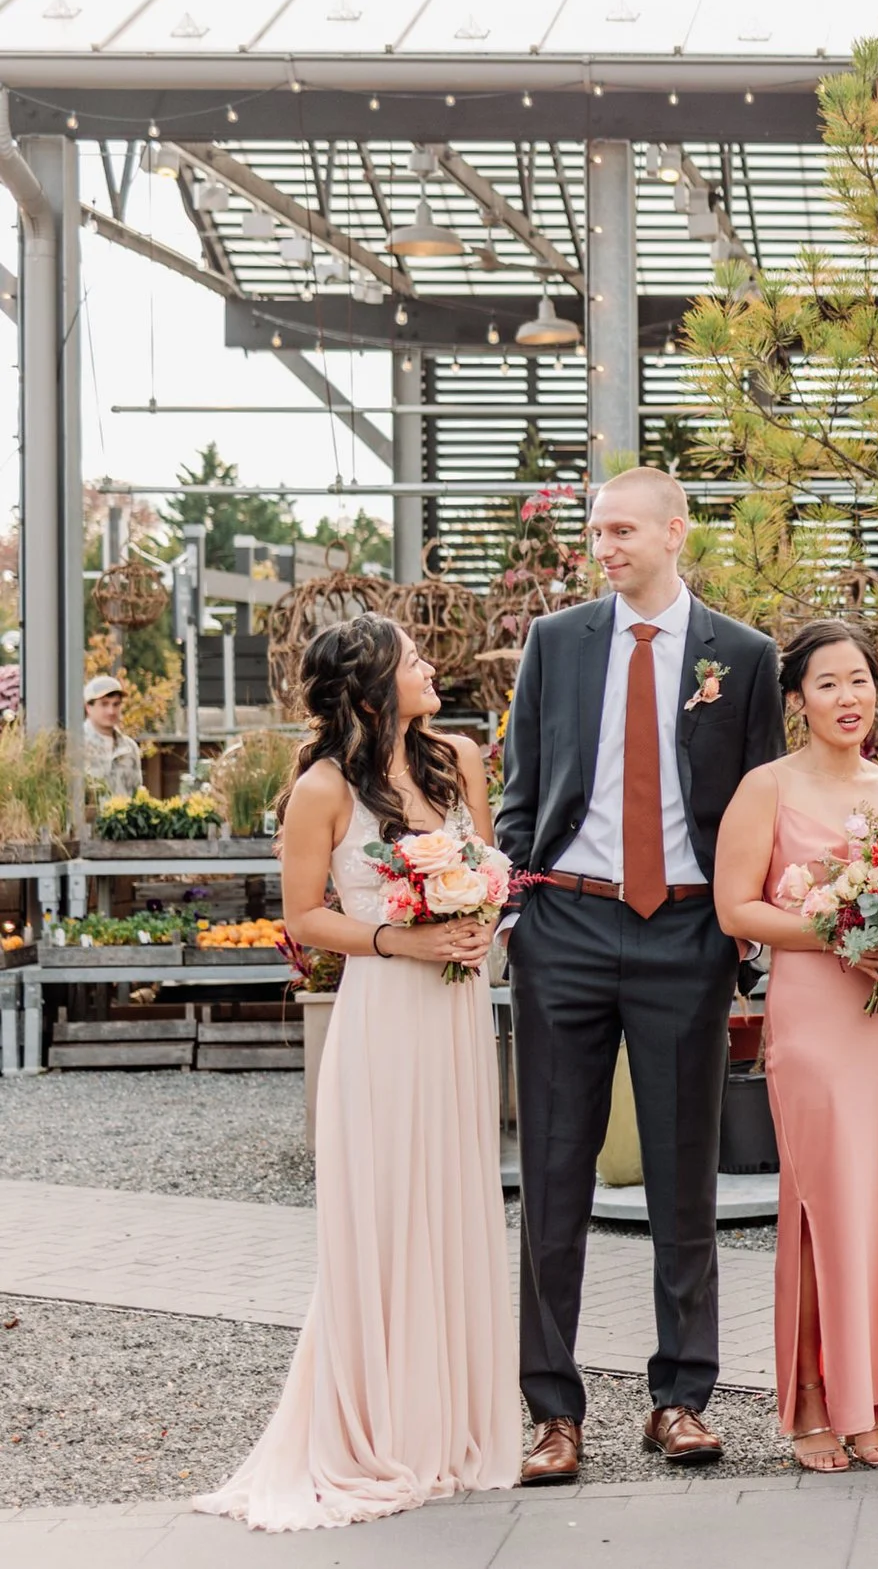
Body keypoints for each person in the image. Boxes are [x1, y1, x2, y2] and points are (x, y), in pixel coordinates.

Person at [495, 467, 783, 1483]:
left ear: (673, 530)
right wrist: (522, 907)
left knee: (683, 1175)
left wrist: (738, 934)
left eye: (620, 529)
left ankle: (680, 1399)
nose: (603, 546)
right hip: (565, 924)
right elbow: (520, 785)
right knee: (556, 1176)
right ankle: (551, 1411)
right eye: (594, 533)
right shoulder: (556, 642)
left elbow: (760, 801)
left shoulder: (742, 656)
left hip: (686, 933)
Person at [196, 615, 514, 1529]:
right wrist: (396, 937)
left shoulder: (459, 759)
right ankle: (378, 1429)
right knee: (384, 1213)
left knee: (454, 1199)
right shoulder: (323, 788)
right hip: (383, 1013)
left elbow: (487, 868)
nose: (430, 666)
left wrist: (474, 921)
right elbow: (302, 917)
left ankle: (452, 1423)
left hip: (455, 1010)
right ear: (370, 688)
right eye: (413, 659)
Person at [713, 619, 878, 1471]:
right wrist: (834, 928)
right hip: (817, 1021)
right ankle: (815, 1401)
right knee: (824, 1206)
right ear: (798, 699)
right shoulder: (767, 787)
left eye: (859, 680)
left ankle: (871, 1396)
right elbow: (736, 910)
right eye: (827, 683)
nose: (847, 698)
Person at [83, 674, 143, 798]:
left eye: (116, 704)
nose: (111, 711)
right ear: (88, 707)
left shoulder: (129, 748)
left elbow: (136, 794)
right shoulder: (76, 744)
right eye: (104, 704)